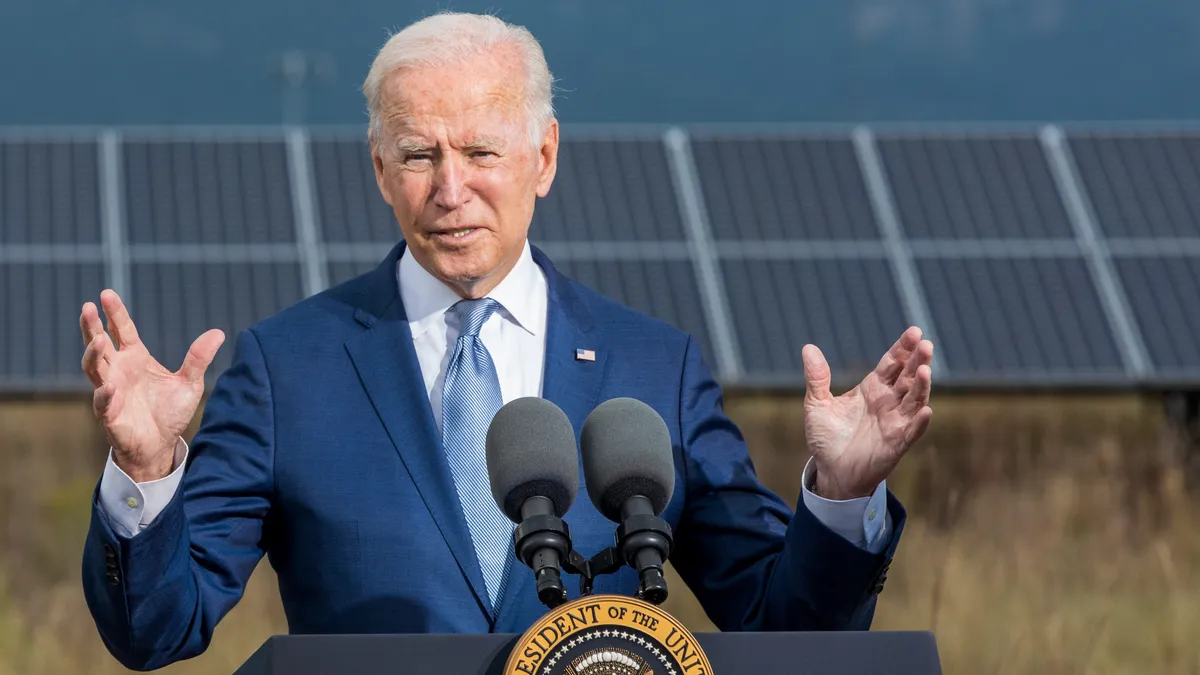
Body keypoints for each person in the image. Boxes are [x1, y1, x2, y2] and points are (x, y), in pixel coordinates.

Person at [79, 12, 934, 672]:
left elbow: (786, 628)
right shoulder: (286, 369)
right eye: (420, 155)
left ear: (544, 157)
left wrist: (838, 495)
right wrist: (148, 472)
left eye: (482, 150)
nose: (452, 189)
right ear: (380, 169)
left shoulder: (654, 367)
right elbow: (156, 630)